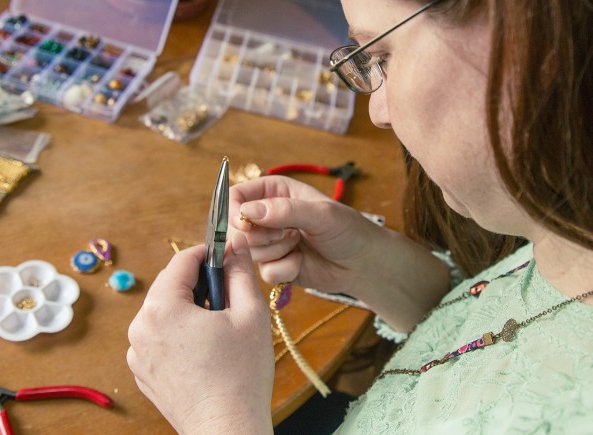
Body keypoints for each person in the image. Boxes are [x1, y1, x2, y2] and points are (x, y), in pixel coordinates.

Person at [127, 0, 593, 432]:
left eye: (381, 57)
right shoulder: (565, 244)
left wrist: (217, 415)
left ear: (531, 38)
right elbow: (488, 339)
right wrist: (375, 266)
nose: (378, 113)